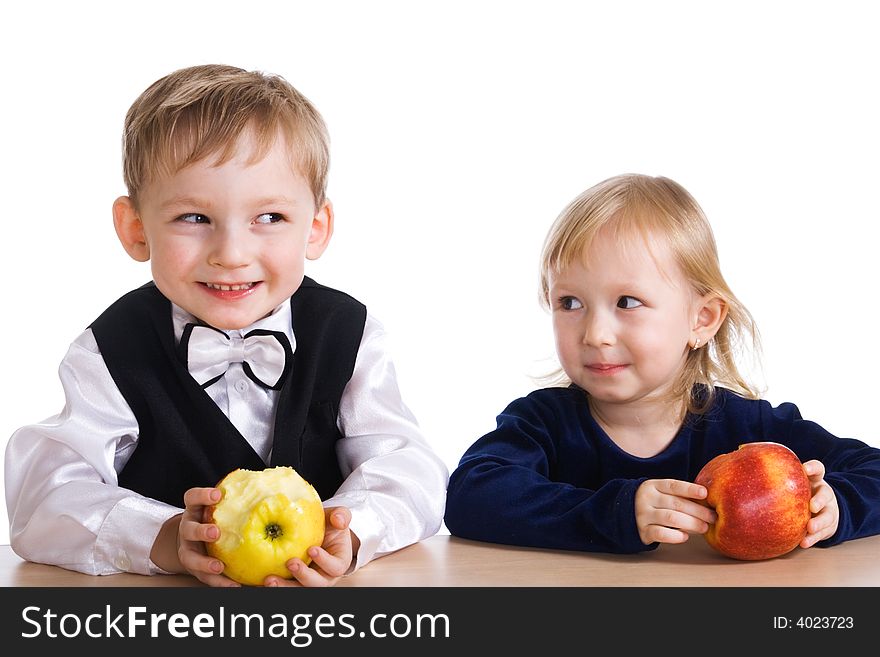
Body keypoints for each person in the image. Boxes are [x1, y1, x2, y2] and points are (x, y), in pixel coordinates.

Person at [5, 64, 448, 587]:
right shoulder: (111, 348)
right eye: (194, 218)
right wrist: (162, 535)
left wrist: (353, 531)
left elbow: (410, 467)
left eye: (270, 218)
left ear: (317, 227)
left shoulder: (348, 333)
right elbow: (43, 497)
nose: (232, 255)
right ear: (134, 228)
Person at [444, 173, 880, 554]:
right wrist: (615, 513)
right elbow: (470, 495)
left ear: (701, 319)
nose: (596, 334)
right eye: (570, 302)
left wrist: (838, 505)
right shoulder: (543, 424)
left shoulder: (749, 431)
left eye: (627, 302)